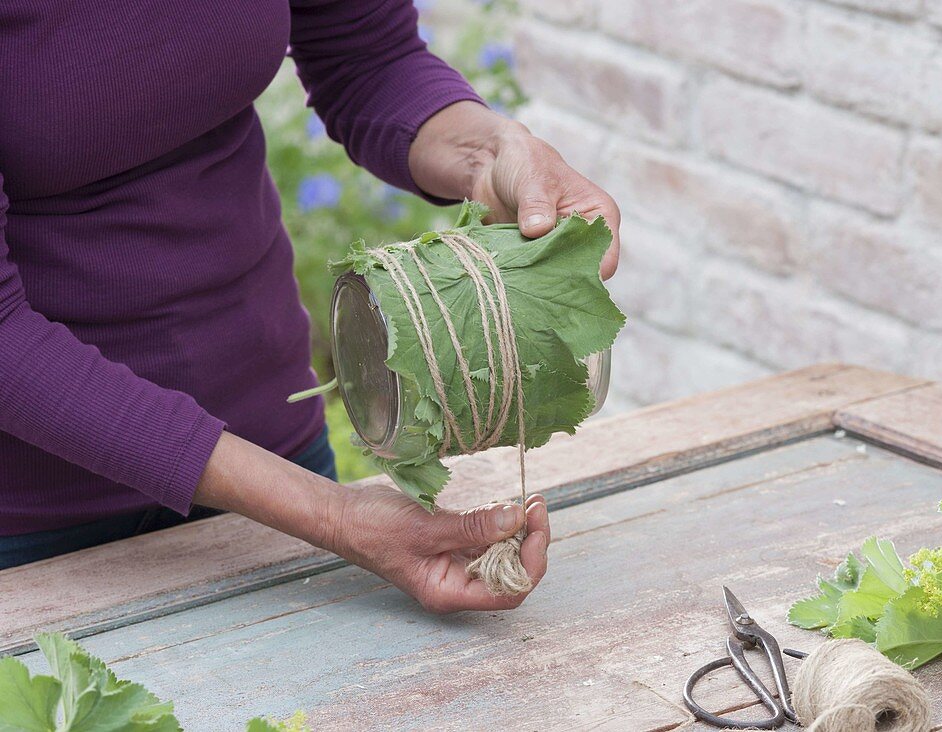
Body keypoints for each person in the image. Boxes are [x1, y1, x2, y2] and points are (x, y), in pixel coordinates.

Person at [0, 0, 620, 613]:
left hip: (274, 454)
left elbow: (367, 55)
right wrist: (332, 517)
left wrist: (489, 150)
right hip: (35, 528)